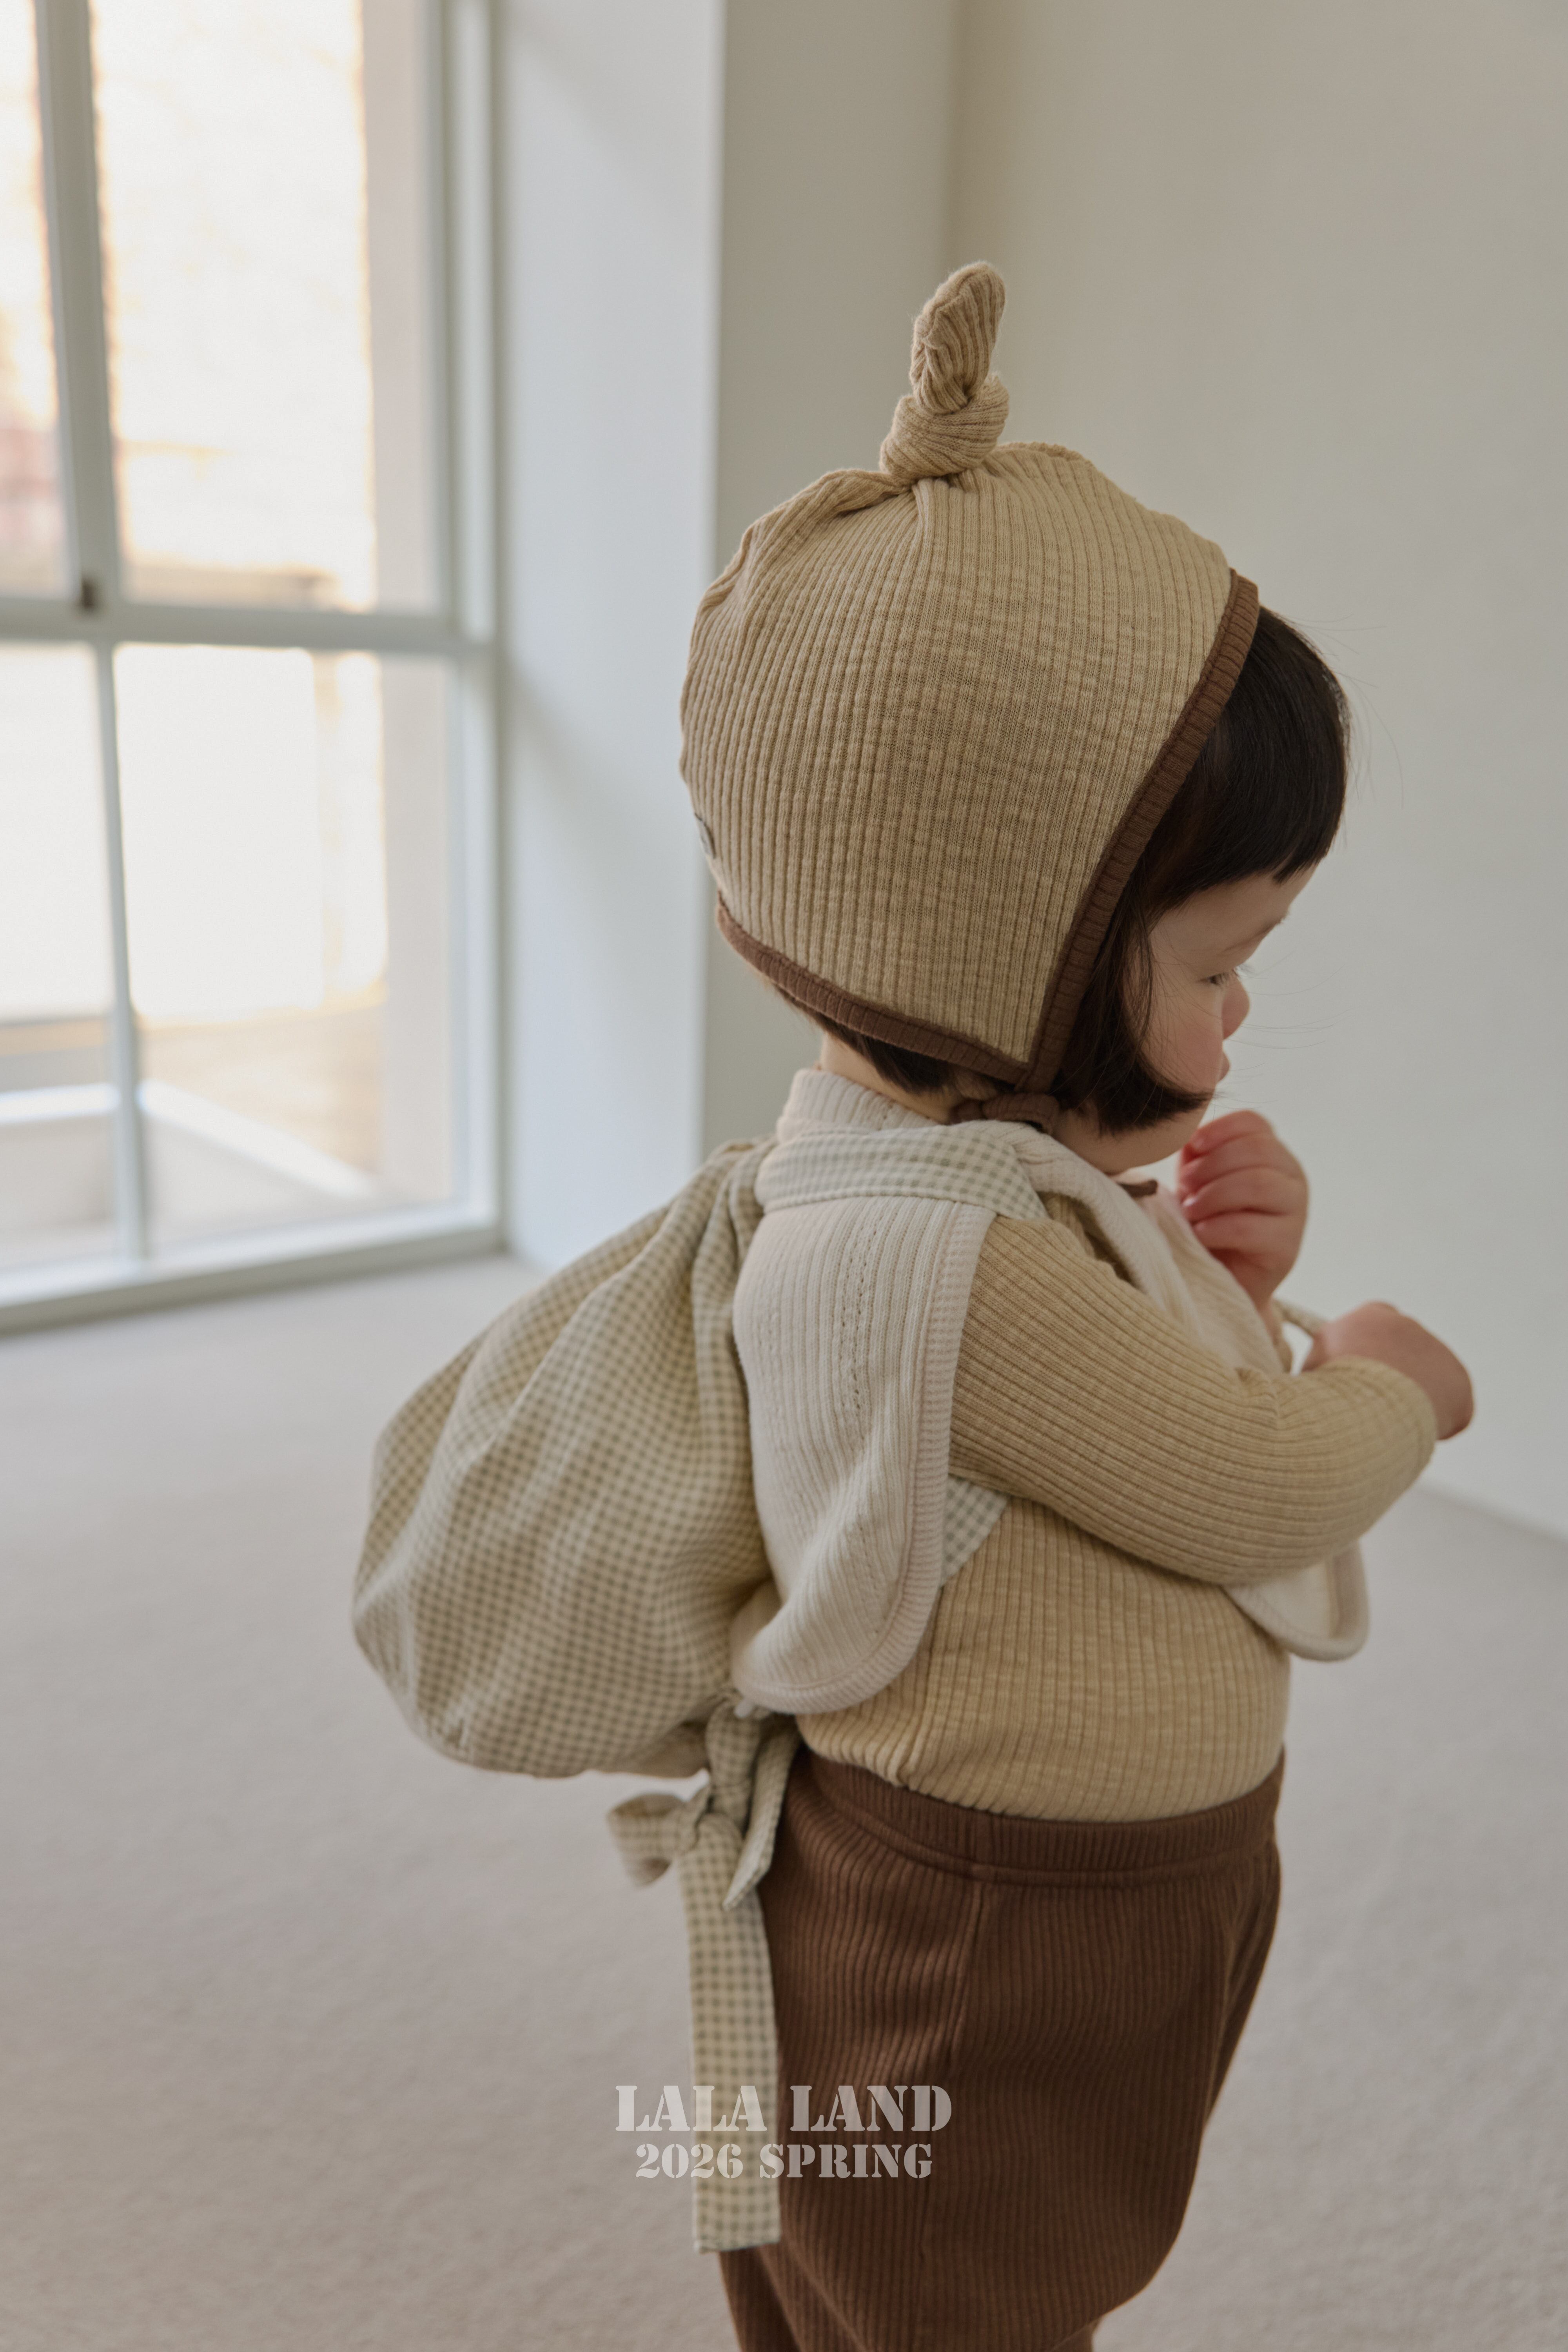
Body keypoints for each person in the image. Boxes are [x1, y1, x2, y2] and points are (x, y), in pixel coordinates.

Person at [679, 262, 1473, 2352]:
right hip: (1008, 1918)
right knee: (969, 2270)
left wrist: (1210, 1280)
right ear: (995, 963)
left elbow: (1070, 1409)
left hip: (1011, 1876)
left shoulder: (919, 1187)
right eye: (1215, 967)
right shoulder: (951, 1258)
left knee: (883, 2250)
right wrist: (1383, 1384)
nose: (1243, 1012)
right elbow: (1238, 1486)